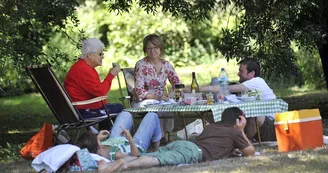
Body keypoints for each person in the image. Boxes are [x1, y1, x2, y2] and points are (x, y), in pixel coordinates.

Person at [97, 107, 254, 172]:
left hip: (185, 144)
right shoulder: (235, 131)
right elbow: (250, 152)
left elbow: (216, 144)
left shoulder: (212, 126)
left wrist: (229, 150)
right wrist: (241, 131)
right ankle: (122, 166)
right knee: (156, 161)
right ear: (238, 120)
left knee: (152, 155)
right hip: (192, 151)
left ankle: (109, 164)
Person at [199, 58, 277, 141]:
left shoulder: (257, 82)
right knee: (234, 111)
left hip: (272, 128)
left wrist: (199, 88)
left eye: (241, 71)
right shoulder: (247, 86)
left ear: (252, 73)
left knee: (250, 112)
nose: (238, 73)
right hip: (262, 128)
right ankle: (225, 139)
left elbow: (225, 88)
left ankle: (243, 142)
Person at [64, 38, 128, 130]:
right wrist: (111, 75)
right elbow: (100, 92)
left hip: (81, 107)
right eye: (100, 54)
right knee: (119, 108)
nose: (102, 57)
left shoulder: (84, 66)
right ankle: (108, 137)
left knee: (111, 108)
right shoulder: (83, 69)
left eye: (103, 54)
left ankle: (102, 136)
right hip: (82, 111)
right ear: (90, 55)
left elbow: (96, 90)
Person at [133, 34, 181, 140]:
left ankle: (164, 134)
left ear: (160, 48)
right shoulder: (141, 65)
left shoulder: (166, 64)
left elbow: (178, 84)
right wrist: (157, 97)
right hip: (144, 99)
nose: (152, 51)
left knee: (169, 105)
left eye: (155, 48)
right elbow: (139, 90)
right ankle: (158, 137)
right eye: (149, 48)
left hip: (162, 98)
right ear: (145, 50)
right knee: (159, 106)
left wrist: (173, 92)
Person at [76, 112, 162, 161]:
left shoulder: (97, 149)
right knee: (152, 116)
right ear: (97, 146)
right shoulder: (116, 155)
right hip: (135, 145)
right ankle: (156, 150)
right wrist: (130, 139)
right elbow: (135, 157)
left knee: (125, 114)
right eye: (95, 138)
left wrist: (98, 138)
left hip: (115, 140)